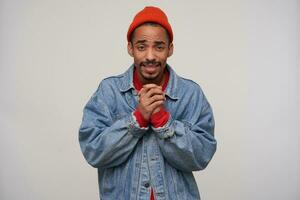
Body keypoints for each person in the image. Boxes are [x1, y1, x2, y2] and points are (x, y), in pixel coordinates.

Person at [79, 6, 217, 200]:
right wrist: (137, 119)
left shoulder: (190, 94)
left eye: (159, 46)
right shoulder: (109, 92)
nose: (150, 56)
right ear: (130, 48)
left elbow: (201, 156)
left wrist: (163, 121)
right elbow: (93, 151)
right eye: (141, 47)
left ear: (170, 49)